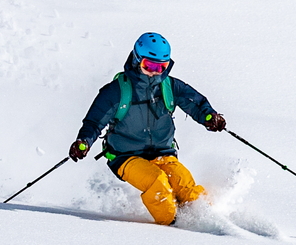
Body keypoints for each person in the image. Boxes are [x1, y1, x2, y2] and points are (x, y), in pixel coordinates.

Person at [68, 32, 226, 225]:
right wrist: (83, 141)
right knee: (157, 181)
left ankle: (210, 220)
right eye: (149, 66)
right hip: (125, 156)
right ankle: (174, 227)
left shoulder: (169, 86)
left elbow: (196, 103)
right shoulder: (116, 91)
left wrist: (210, 117)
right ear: (136, 60)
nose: (155, 72)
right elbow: (94, 122)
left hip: (162, 152)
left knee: (183, 183)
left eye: (161, 67)